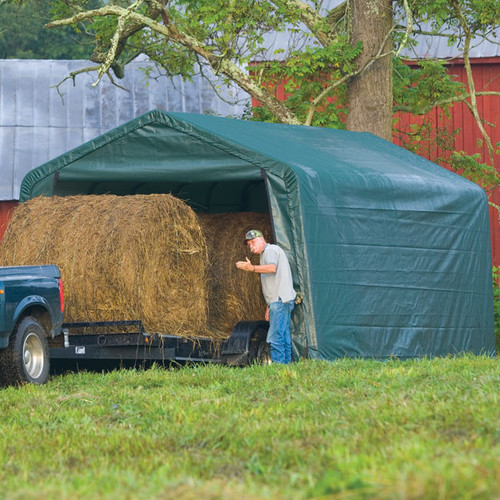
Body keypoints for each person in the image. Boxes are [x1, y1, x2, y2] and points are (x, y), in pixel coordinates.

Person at [235, 229, 295, 364]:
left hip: (279, 301)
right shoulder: (265, 254)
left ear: (262, 239)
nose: (251, 245)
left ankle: (279, 366)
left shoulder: (270, 250)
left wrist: (252, 268)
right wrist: (269, 306)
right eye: (249, 244)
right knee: (283, 335)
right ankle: (286, 367)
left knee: (275, 337)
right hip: (280, 300)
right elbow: (274, 281)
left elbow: (272, 268)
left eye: (253, 242)